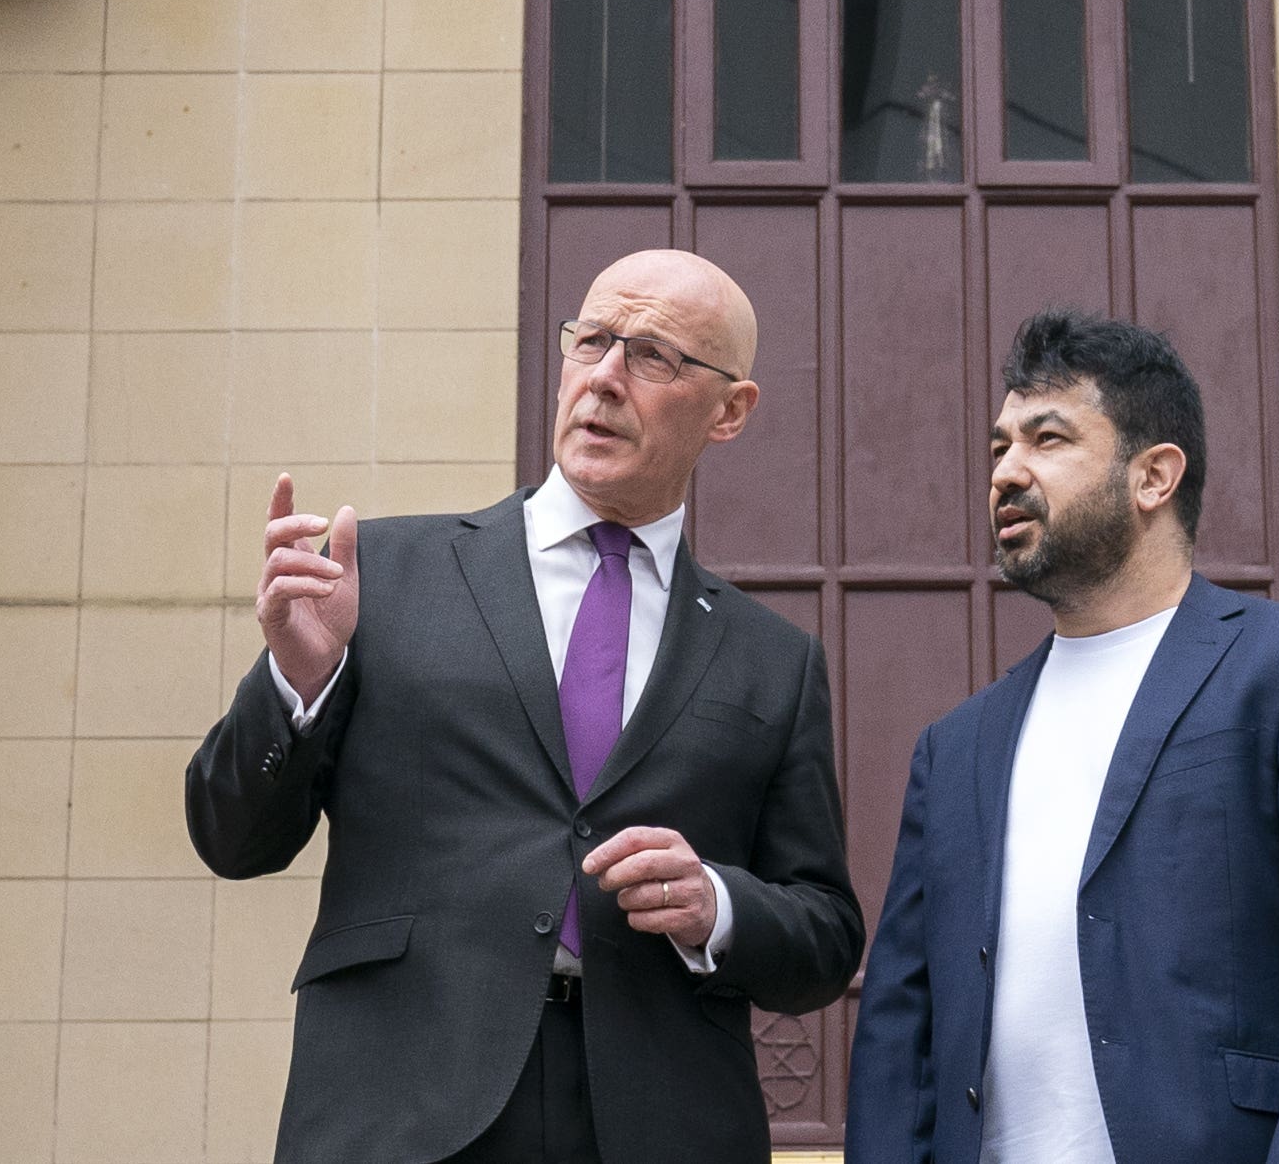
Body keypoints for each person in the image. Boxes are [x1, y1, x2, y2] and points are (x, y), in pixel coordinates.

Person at [186, 250, 863, 1164]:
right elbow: (233, 841)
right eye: (591, 341)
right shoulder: (379, 576)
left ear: (730, 411)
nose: (605, 379)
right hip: (399, 1105)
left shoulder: (772, 663)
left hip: (658, 1117)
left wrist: (714, 903)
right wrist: (299, 684)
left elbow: (823, 936)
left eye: (655, 357)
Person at [846, 310, 1279, 1164]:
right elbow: (902, 1031)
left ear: (1153, 476)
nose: (1007, 472)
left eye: (1047, 440)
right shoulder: (956, 747)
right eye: (999, 447)